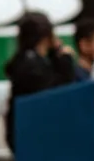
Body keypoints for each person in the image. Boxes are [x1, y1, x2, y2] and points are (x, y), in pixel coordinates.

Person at [4, 12, 75, 152]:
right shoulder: (32, 66)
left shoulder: (25, 61)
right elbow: (58, 92)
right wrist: (64, 59)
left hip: (23, 130)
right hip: (33, 134)